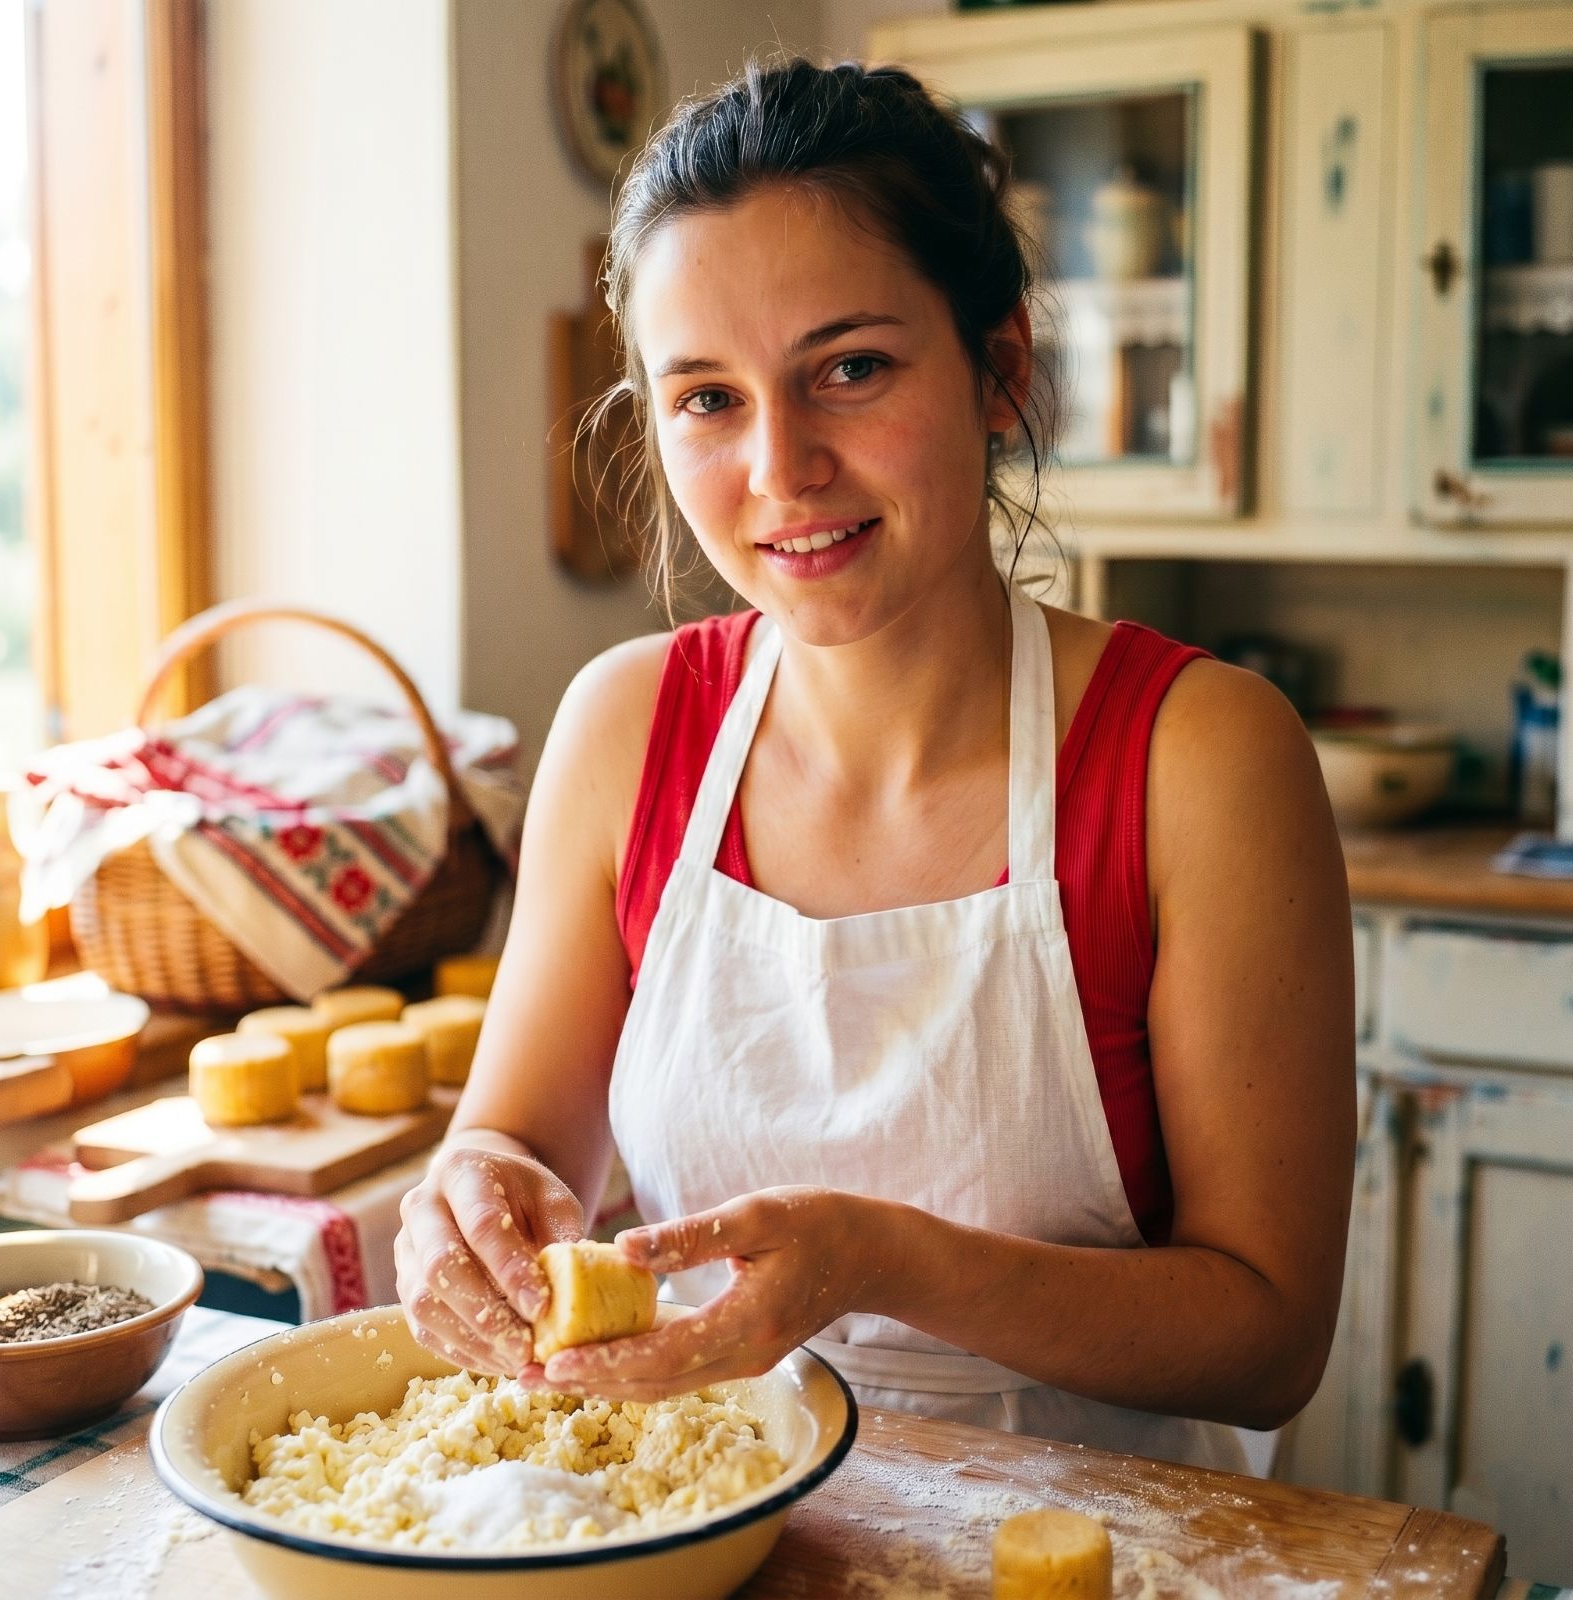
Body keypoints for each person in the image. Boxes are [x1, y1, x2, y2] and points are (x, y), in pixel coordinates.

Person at [394, 56, 1355, 1474]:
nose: (782, 469)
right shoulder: (622, 731)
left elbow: (1269, 1341)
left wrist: (876, 1260)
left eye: (850, 369)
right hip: (703, 1523)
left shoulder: (1197, 758)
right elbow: (519, 1143)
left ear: (998, 370)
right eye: (707, 399)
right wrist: (463, 1202)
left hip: (1088, 1548)